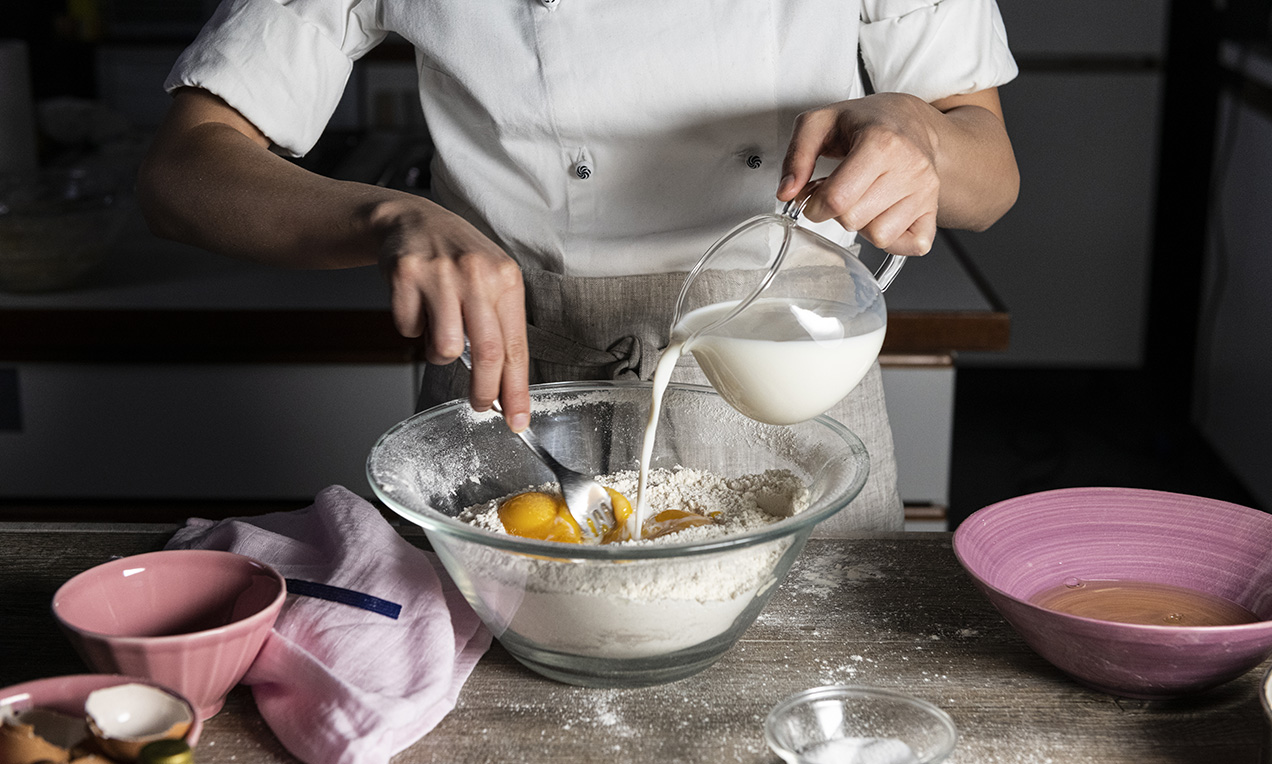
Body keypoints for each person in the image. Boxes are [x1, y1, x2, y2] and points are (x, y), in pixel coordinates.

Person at [136, 0, 1020, 534]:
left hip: (784, 396)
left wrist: (925, 135)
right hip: (514, 403)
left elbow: (989, 178)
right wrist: (387, 213)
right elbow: (184, 172)